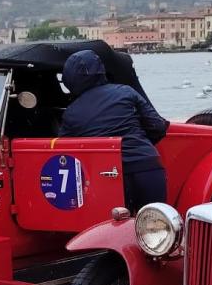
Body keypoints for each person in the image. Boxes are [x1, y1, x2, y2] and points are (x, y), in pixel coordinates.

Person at [60, 49, 169, 210]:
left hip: (106, 176)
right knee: (155, 222)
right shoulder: (126, 92)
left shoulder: (71, 113)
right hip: (147, 167)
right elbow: (158, 126)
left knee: (114, 224)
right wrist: (140, 141)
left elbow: (64, 152)